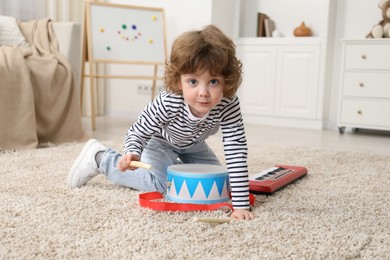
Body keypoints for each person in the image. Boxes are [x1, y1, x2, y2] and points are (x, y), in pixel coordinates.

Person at [68, 25, 254, 220]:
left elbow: (236, 149)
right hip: (159, 141)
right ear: (178, 80)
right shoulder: (169, 101)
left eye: (213, 82)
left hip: (193, 143)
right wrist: (133, 152)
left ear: (227, 80)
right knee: (164, 185)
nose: (203, 92)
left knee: (218, 182)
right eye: (193, 81)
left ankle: (177, 164)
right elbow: (139, 131)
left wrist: (241, 206)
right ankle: (100, 158)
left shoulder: (228, 104)